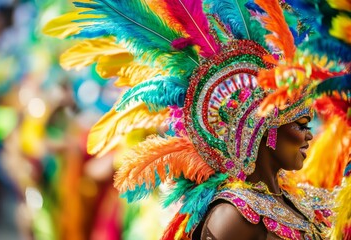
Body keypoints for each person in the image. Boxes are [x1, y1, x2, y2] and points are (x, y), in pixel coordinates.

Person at [44, 0, 351, 239]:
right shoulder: (232, 216)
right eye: (300, 126)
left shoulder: (301, 197)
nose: (310, 136)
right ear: (263, 130)